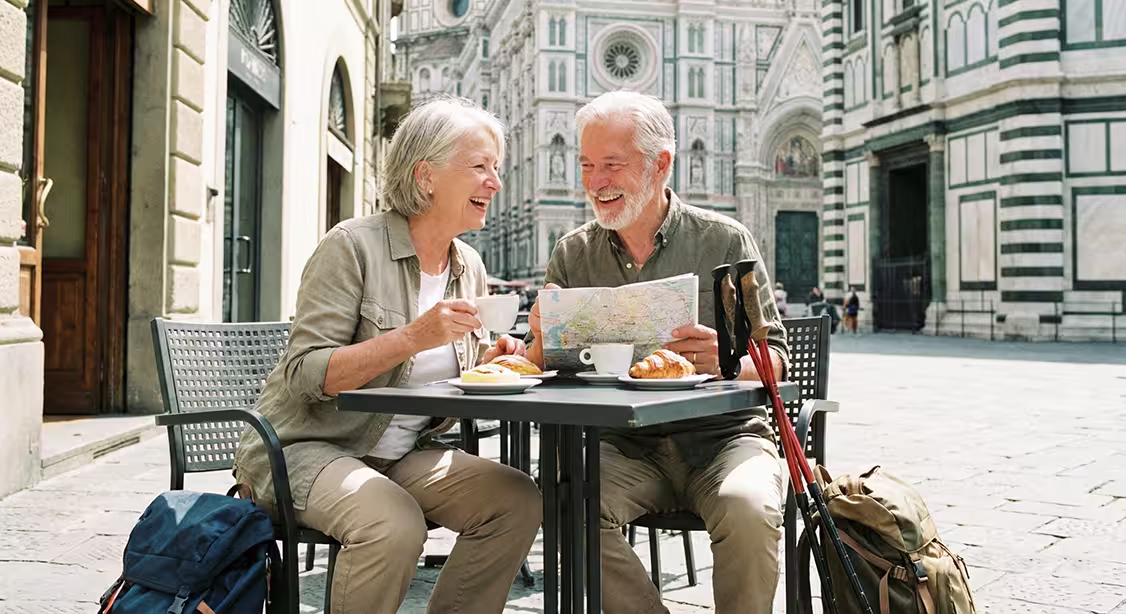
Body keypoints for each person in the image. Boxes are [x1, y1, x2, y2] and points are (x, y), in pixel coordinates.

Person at [233, 98, 542, 614]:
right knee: (394, 522)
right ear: (426, 176)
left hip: (401, 453)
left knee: (517, 499)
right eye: (480, 166)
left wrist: (507, 354)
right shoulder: (352, 246)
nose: (495, 182)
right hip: (308, 448)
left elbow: (457, 369)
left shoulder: (468, 264)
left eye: (497, 168)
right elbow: (306, 374)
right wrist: (411, 337)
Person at [526, 91, 790, 614]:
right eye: (586, 166)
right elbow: (541, 365)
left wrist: (730, 359)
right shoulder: (573, 254)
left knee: (748, 507)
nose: (595, 182)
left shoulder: (722, 242)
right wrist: (541, 336)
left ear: (661, 163)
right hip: (622, 446)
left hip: (723, 440)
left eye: (611, 165)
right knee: (560, 499)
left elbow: (776, 357)